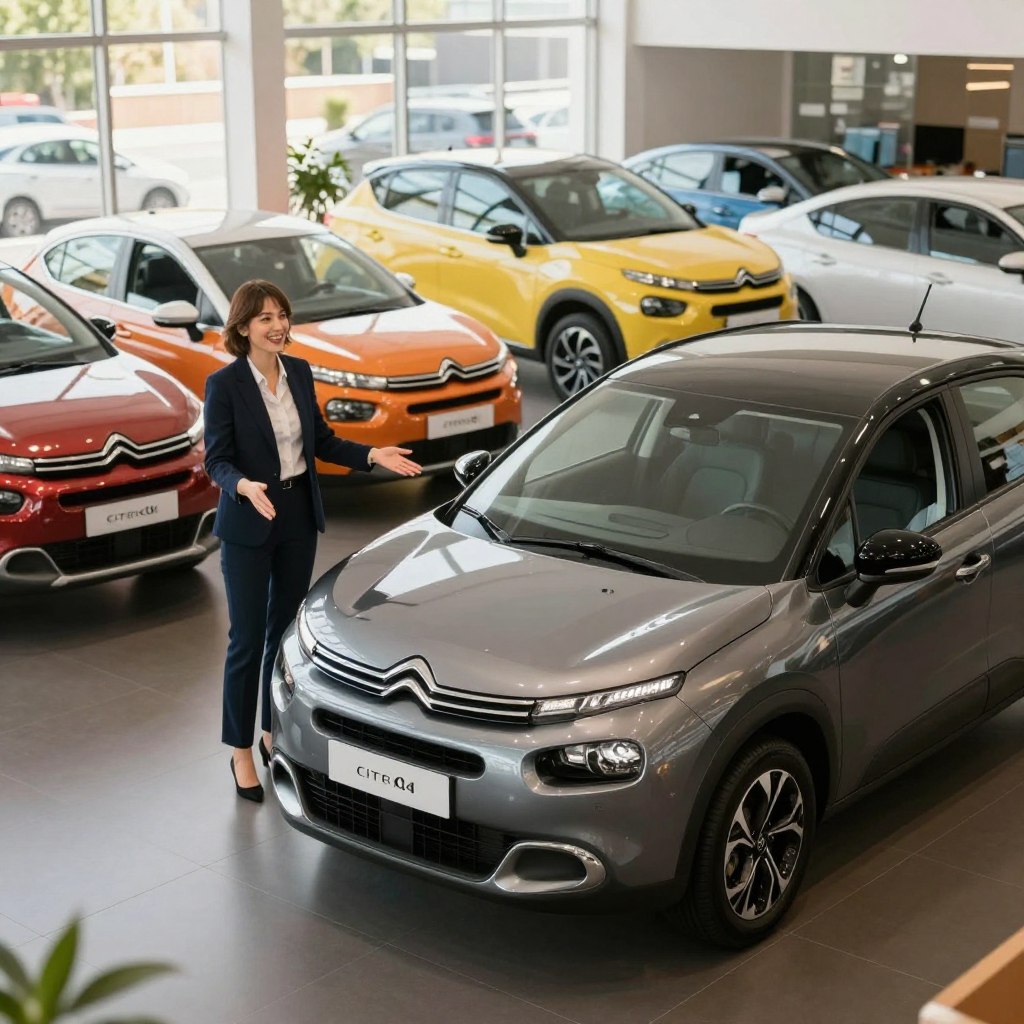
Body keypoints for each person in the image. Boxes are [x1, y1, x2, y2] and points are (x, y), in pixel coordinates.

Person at [204, 279, 421, 802]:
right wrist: (242, 485)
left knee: (282, 634)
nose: (278, 325)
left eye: (282, 315)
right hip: (249, 519)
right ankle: (239, 750)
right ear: (243, 328)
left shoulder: (299, 373)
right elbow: (216, 459)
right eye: (265, 318)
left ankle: (269, 730)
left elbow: (320, 441)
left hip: (297, 516)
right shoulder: (225, 385)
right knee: (246, 640)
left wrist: (371, 455)